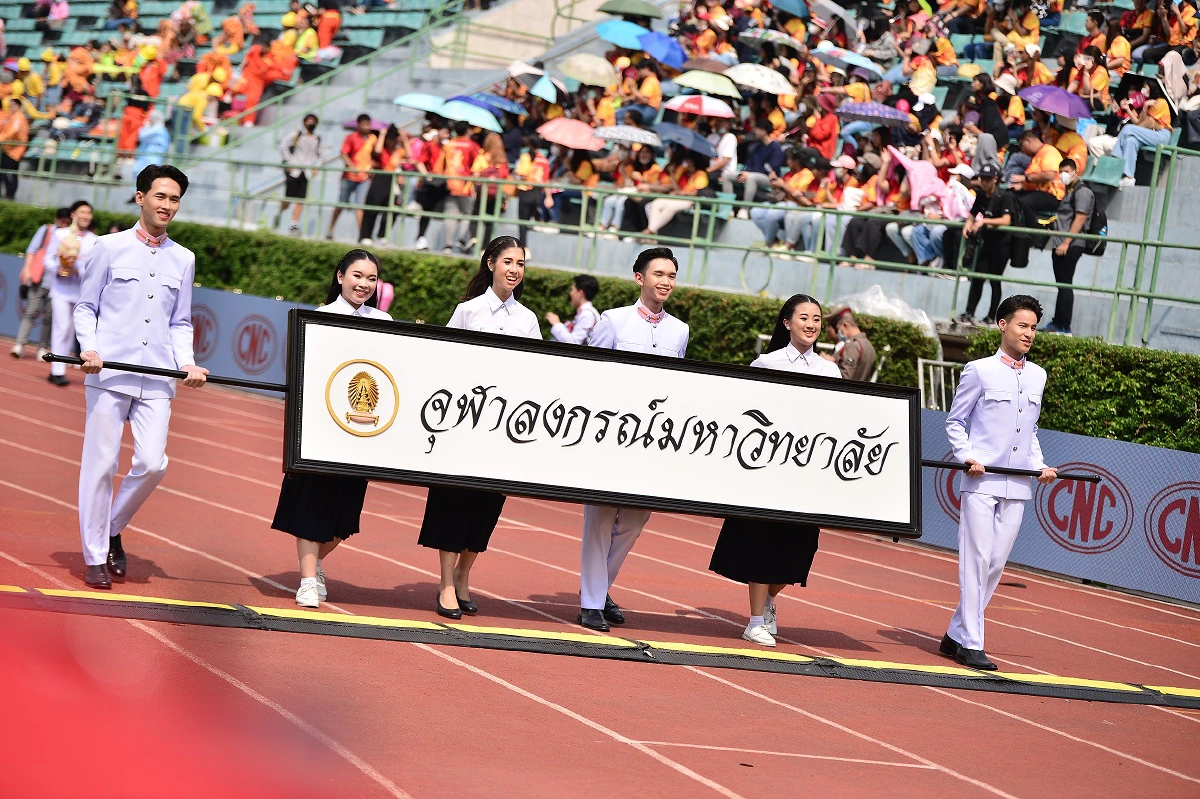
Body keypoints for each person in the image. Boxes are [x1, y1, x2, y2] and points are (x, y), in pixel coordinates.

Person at [74, 165, 209, 589]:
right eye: (160, 196)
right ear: (140, 197)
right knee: (101, 465)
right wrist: (89, 347)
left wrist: (186, 363)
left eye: (174, 199)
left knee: (153, 463)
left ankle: (112, 526)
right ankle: (95, 554)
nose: (167, 205)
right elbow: (85, 307)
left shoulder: (184, 258)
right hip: (109, 369)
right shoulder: (107, 247)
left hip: (158, 374)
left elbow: (180, 321)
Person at [417, 236, 541, 619]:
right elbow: (444, 362)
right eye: (507, 261)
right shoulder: (467, 311)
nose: (514, 269)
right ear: (490, 263)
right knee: (453, 504)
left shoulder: (528, 319)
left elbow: (540, 371)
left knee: (486, 508)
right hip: (463, 427)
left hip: (503, 431)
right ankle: (445, 583)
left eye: (520, 263)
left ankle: (464, 576)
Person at [709, 293, 839, 647]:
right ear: (787, 322)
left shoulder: (829, 370)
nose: (811, 325)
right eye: (803, 318)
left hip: (807, 472)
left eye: (816, 318)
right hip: (766, 473)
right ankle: (753, 622)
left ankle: (767, 601)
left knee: (801, 549)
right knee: (761, 544)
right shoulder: (766, 363)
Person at [942, 294, 1057, 669]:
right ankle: (971, 643)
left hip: (1018, 484)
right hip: (981, 480)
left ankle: (954, 634)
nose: (1029, 334)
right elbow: (955, 421)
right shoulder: (979, 370)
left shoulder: (1038, 375)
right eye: (1022, 325)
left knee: (995, 564)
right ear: (1002, 324)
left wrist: (1039, 464)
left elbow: (1030, 429)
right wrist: (967, 456)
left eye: (1034, 328)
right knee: (975, 561)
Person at [577, 247, 689, 632]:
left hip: (654, 443)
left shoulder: (680, 330)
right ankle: (591, 603)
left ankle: (600, 588)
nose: (666, 282)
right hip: (611, 437)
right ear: (639, 277)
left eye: (671, 275)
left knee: (635, 520)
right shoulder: (613, 321)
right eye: (659, 273)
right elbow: (589, 373)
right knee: (600, 517)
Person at [271, 249, 390, 608]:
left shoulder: (384, 321)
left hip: (359, 434)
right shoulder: (316, 319)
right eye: (357, 276)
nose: (364, 284)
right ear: (340, 276)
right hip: (320, 431)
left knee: (344, 519)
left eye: (371, 278)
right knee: (311, 507)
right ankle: (307, 579)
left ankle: (316, 562)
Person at [43, 200, 99, 387]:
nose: (85, 216)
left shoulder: (94, 240)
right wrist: (59, 269)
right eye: (82, 212)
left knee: (71, 330)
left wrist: (77, 268)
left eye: (88, 213)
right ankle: (57, 370)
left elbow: (93, 269)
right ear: (73, 214)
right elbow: (48, 259)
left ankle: (61, 366)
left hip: (80, 292)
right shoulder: (60, 234)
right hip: (60, 289)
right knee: (62, 327)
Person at [956, 163, 1017, 326]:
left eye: (988, 179)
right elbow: (972, 213)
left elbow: (1006, 220)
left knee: (994, 281)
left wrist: (983, 222)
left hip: (1002, 245)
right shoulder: (981, 195)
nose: (984, 182)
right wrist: (968, 224)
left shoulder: (1004, 196)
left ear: (995, 179)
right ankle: (969, 314)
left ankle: (992, 317)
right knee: (978, 278)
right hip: (987, 243)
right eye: (982, 178)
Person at [1043, 158, 1095, 335]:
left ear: (1075, 171)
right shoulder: (1069, 192)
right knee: (1062, 285)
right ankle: (1059, 323)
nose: (1064, 175)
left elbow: (1080, 218)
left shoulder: (1083, 192)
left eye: (1066, 170)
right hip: (1060, 244)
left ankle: (1063, 326)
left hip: (1071, 245)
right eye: (1061, 171)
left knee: (1065, 284)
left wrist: (1066, 242)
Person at [11, 208, 70, 360]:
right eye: (61, 219)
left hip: (58, 282)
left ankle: (42, 347)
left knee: (49, 317)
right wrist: (27, 269)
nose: (63, 223)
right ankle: (20, 344)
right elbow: (32, 250)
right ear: (56, 218)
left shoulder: (71, 236)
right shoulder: (46, 230)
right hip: (39, 278)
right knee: (31, 311)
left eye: (66, 220)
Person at [1112, 88, 1173, 188]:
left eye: (1146, 86)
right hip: (1149, 134)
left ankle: (1116, 158)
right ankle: (1129, 177)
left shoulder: (1160, 102)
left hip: (1161, 135)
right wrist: (1143, 106)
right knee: (1130, 141)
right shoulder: (1146, 103)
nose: (1143, 89)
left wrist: (1146, 106)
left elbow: (1148, 122)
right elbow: (1139, 122)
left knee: (1128, 129)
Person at [436, 120, 481, 254]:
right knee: (467, 214)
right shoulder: (473, 146)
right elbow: (477, 167)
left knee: (450, 215)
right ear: (468, 130)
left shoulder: (449, 144)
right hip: (465, 186)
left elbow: (441, 164)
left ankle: (447, 246)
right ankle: (461, 239)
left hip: (450, 184)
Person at [326, 113, 374, 239]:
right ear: (358, 125)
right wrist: (352, 167)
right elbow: (343, 153)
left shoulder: (373, 139)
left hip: (364, 178)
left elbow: (374, 157)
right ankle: (330, 230)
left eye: (368, 124)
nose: (366, 127)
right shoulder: (351, 137)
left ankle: (361, 235)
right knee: (341, 203)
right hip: (349, 177)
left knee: (360, 206)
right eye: (363, 124)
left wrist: (371, 168)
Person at [277, 113, 325, 235]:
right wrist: (289, 161)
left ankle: (294, 223)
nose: (311, 123)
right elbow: (283, 146)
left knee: (300, 199)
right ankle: (280, 213)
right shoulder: (297, 134)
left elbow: (321, 155)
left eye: (313, 121)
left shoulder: (317, 138)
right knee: (288, 199)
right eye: (309, 121)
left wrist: (316, 167)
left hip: (306, 171)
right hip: (295, 170)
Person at [822, 308, 876, 380]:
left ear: (845, 325)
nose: (838, 333)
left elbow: (844, 377)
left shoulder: (853, 346)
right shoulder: (868, 345)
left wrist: (829, 364)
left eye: (838, 329)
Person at [546, 274, 600, 345]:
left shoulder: (587, 315)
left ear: (580, 293)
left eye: (572, 290)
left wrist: (557, 324)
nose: (571, 293)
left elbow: (573, 343)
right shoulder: (586, 313)